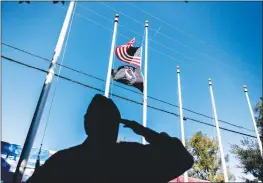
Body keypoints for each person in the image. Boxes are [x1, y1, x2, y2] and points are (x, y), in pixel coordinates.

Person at [26, 94, 193, 183]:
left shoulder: (64, 161)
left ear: (86, 123)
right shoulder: (133, 158)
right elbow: (183, 159)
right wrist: (145, 132)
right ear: (116, 126)